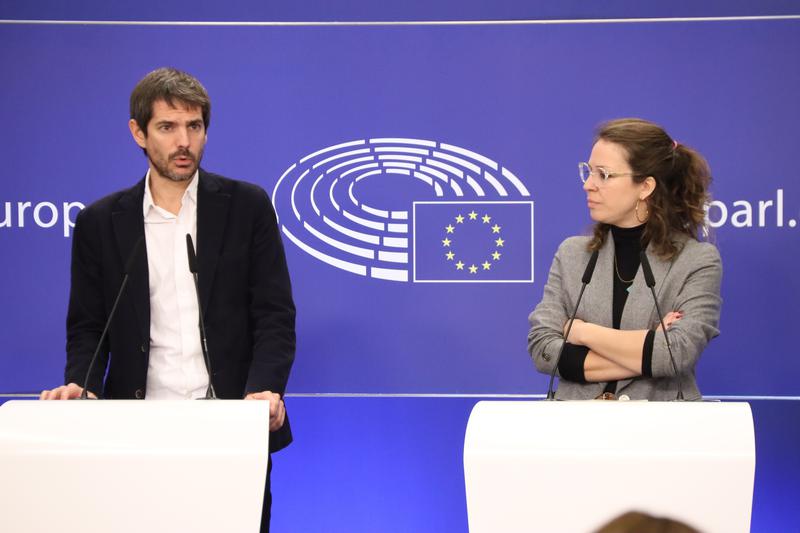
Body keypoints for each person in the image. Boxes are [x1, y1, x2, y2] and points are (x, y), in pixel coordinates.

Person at [39, 67, 295, 532]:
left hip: (230, 426)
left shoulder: (247, 206)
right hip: (136, 429)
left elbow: (274, 314)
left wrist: (266, 389)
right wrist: (82, 382)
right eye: (168, 127)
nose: (184, 141)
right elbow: (88, 326)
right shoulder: (101, 223)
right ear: (138, 133)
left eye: (194, 127)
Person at [527, 118, 721, 400]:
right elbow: (543, 349)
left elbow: (676, 354)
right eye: (588, 172)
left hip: (661, 433)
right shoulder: (572, 254)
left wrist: (579, 331)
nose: (588, 185)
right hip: (575, 434)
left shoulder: (696, 260)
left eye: (603, 175)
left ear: (645, 187)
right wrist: (647, 345)